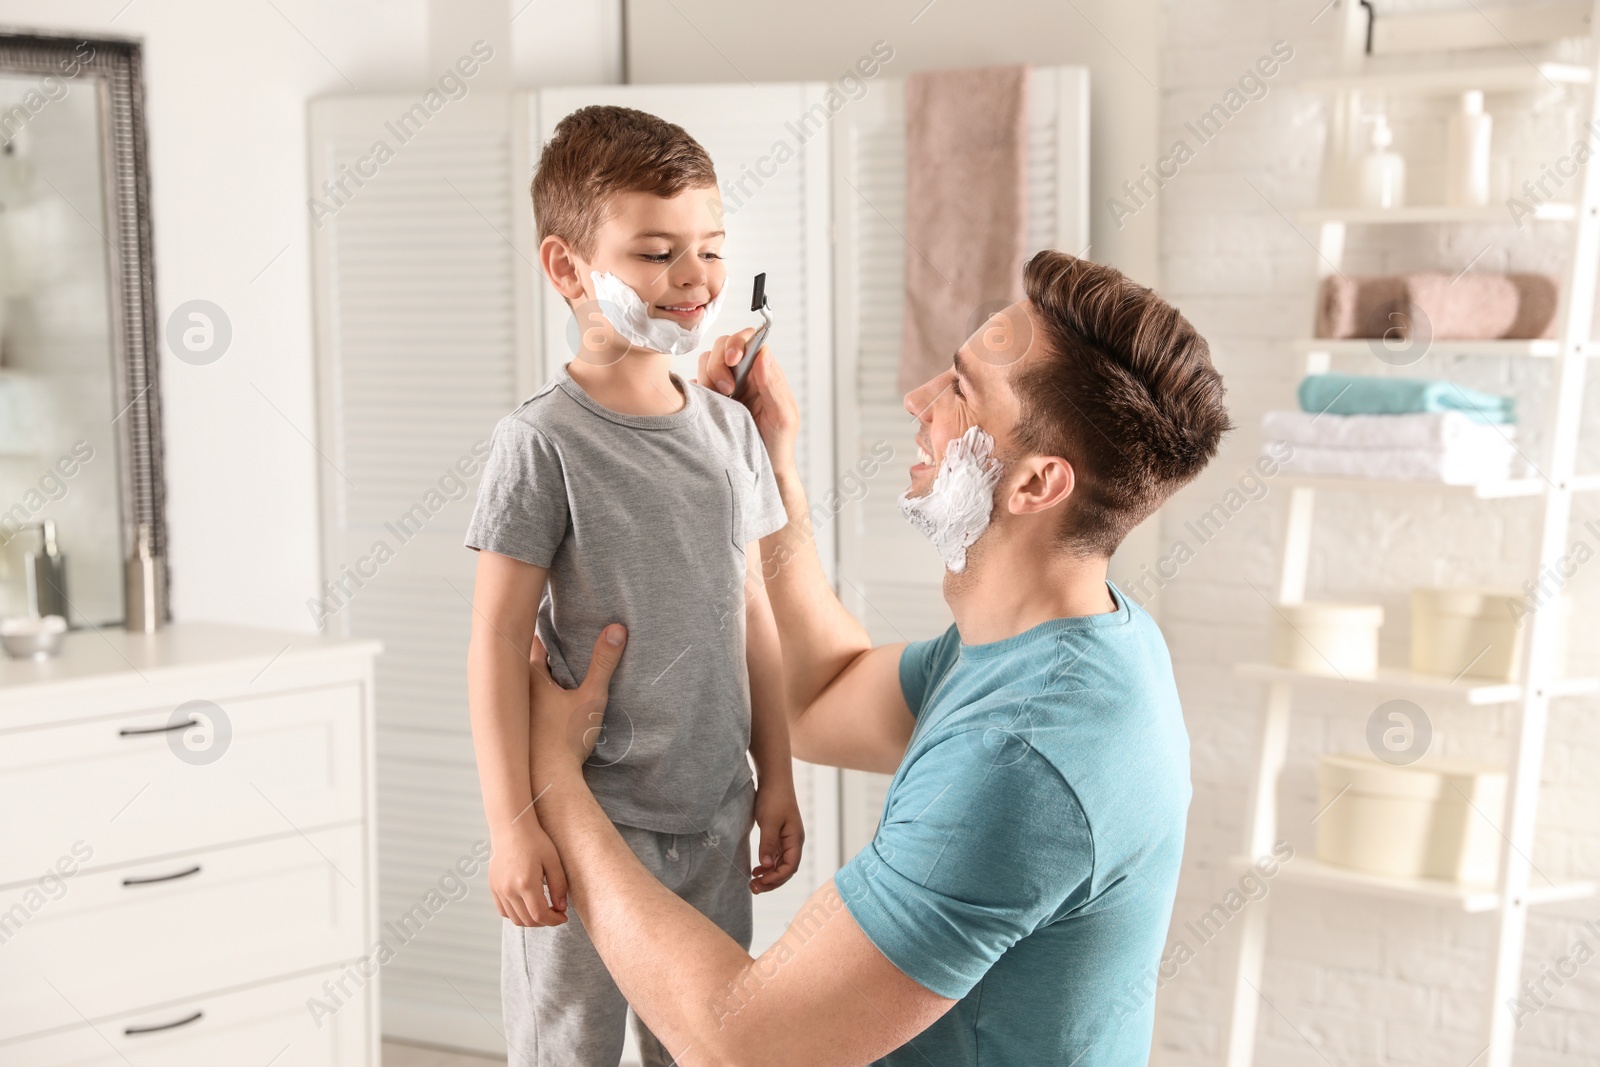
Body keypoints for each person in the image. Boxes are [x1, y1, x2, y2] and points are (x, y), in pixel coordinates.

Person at [523, 250, 1233, 1066]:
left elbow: (744, 1042)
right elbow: (821, 698)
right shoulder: (1076, 641)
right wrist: (772, 465)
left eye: (960, 390)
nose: (918, 399)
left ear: (1036, 484)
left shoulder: (1024, 762)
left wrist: (555, 778)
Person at [463, 105, 804, 1067]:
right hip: (588, 829)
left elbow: (754, 613)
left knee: (701, 1047)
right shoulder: (540, 444)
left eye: (711, 248)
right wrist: (512, 825)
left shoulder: (731, 432)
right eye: (658, 254)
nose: (695, 279)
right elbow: (495, 643)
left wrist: (773, 774)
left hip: (712, 819)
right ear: (568, 267)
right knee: (567, 1050)